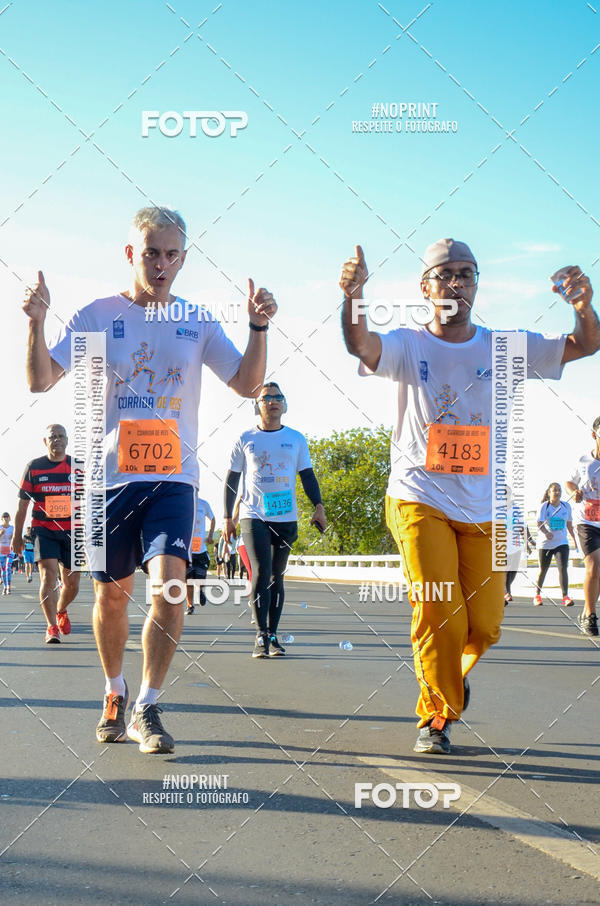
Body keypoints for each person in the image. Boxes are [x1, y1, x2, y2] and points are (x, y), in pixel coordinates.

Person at [22, 205, 277, 753]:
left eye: (171, 254)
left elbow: (247, 383)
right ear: (131, 253)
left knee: (170, 588)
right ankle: (113, 692)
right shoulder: (97, 317)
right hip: (107, 482)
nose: (161, 264)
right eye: (151, 252)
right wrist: (36, 322)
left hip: (173, 479)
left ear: (182, 258)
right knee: (112, 599)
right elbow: (41, 380)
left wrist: (257, 329)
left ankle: (147, 706)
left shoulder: (196, 320)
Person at [341, 239, 599, 754]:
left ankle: (451, 680)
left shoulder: (505, 346)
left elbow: (584, 345)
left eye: (466, 273)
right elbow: (361, 346)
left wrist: (583, 306)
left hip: (486, 508)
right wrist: (354, 296)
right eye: (445, 274)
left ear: (477, 283)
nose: (456, 282)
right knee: (440, 610)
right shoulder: (408, 345)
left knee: (484, 624)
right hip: (418, 498)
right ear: (425, 286)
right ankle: (435, 717)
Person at [223, 382, 326, 657]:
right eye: (266, 398)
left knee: (277, 576)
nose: (272, 401)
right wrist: (227, 518)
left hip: (285, 516)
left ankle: (272, 634)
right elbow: (232, 480)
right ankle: (260, 636)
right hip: (253, 515)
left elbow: (307, 475)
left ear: (284, 404)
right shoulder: (245, 438)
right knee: (261, 571)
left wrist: (319, 506)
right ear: (257, 406)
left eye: (278, 397)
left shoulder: (296, 439)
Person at [12, 425, 81, 642]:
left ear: (67, 440)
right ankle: (52, 627)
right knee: (48, 576)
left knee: (72, 584)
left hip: (73, 531)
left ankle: (61, 609)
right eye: (52, 437)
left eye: (61, 436)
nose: (57, 440)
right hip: (44, 530)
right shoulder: (34, 467)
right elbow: (22, 506)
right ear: (45, 441)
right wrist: (17, 536)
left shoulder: (78, 467)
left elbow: (93, 501)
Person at [565, 417, 600, 636]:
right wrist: (573, 492)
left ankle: (587, 611)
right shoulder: (583, 460)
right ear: (595, 435)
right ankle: (590, 614)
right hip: (586, 521)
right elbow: (570, 482)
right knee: (594, 565)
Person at [533, 483, 576, 606]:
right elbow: (539, 522)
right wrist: (546, 533)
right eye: (554, 490)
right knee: (543, 569)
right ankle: (537, 594)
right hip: (545, 543)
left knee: (563, 568)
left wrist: (574, 539)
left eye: (559, 490)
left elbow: (569, 524)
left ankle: (565, 597)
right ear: (549, 493)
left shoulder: (566, 506)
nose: (557, 492)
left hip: (561, 542)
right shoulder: (544, 507)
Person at [186, 496, 215, 615]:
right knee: (188, 581)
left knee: (200, 579)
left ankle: (200, 590)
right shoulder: (183, 501)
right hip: (187, 550)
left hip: (201, 549)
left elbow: (213, 519)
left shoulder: (204, 504)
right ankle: (190, 606)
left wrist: (211, 535)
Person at [0, 513, 14, 594]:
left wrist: (13, 537)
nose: (6, 518)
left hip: (10, 549)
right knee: (3, 570)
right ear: (2, 518)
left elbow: (16, 539)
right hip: (1, 550)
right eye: (4, 517)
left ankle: (9, 586)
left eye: (7, 516)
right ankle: (5, 586)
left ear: (9, 518)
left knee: (8, 567)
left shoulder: (12, 528)